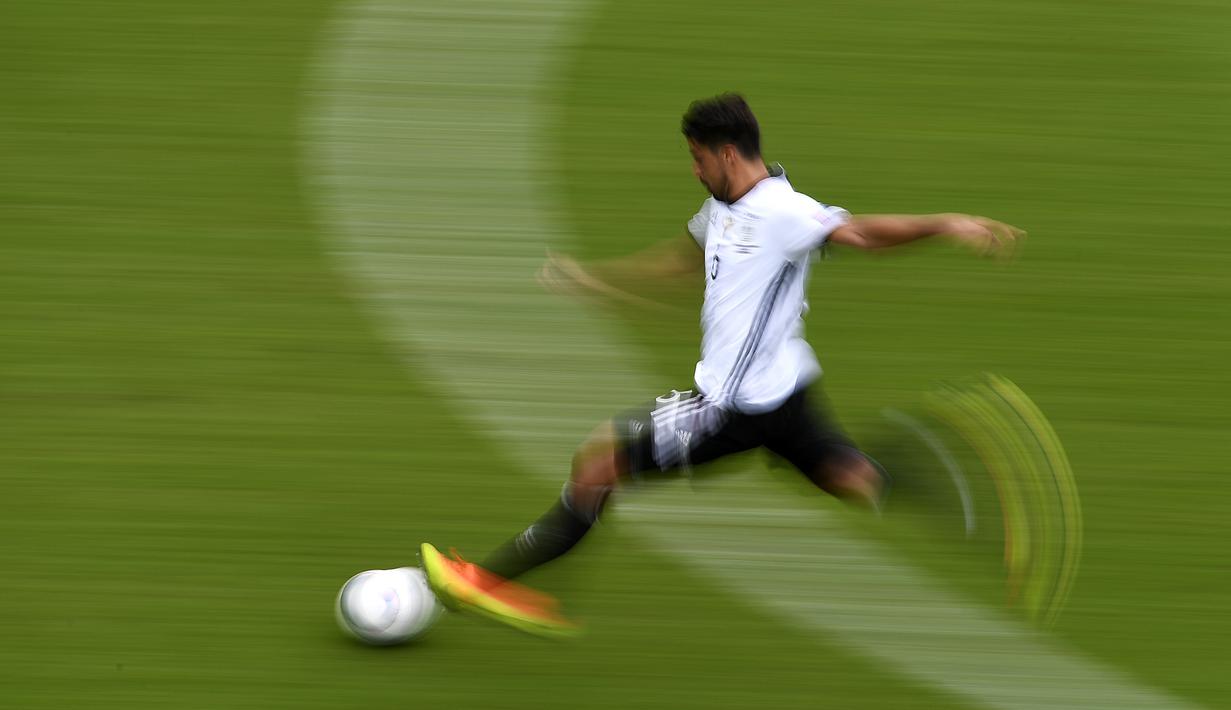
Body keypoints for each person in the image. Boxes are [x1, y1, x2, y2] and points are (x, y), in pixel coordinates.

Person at [420, 93, 1024, 636]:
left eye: (697, 158)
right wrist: (598, 282)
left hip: (727, 409)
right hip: (787, 391)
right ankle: (941, 464)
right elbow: (682, 261)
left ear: (728, 154)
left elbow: (861, 235)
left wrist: (946, 223)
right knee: (855, 480)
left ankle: (489, 579)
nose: (694, 169)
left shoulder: (784, 211)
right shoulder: (720, 210)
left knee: (598, 463)